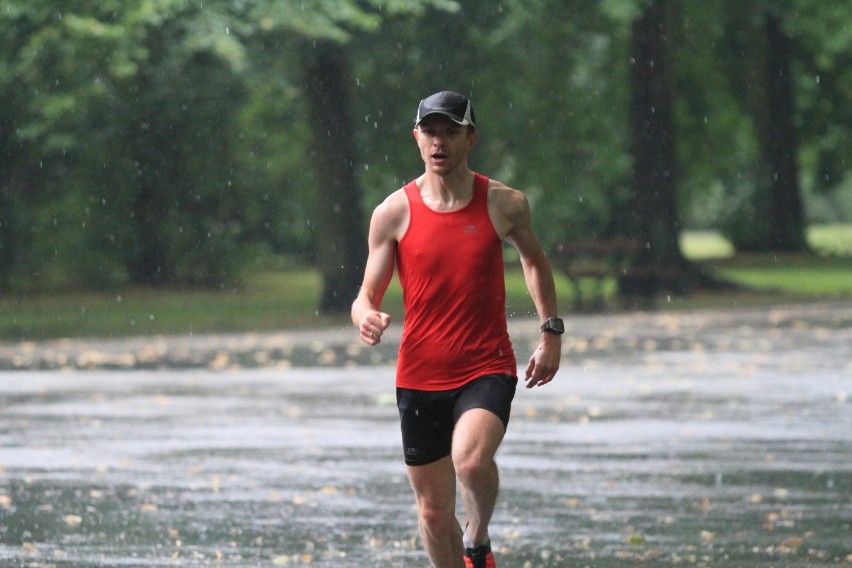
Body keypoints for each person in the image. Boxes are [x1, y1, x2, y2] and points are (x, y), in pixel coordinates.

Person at [351, 90, 562, 568]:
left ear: (471, 139)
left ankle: (478, 536)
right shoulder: (393, 212)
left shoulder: (504, 203)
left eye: (451, 132)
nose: (439, 142)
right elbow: (365, 296)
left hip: (485, 366)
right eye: (431, 132)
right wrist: (366, 315)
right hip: (419, 376)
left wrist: (550, 331)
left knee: (470, 461)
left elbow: (534, 259)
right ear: (417, 138)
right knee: (431, 513)